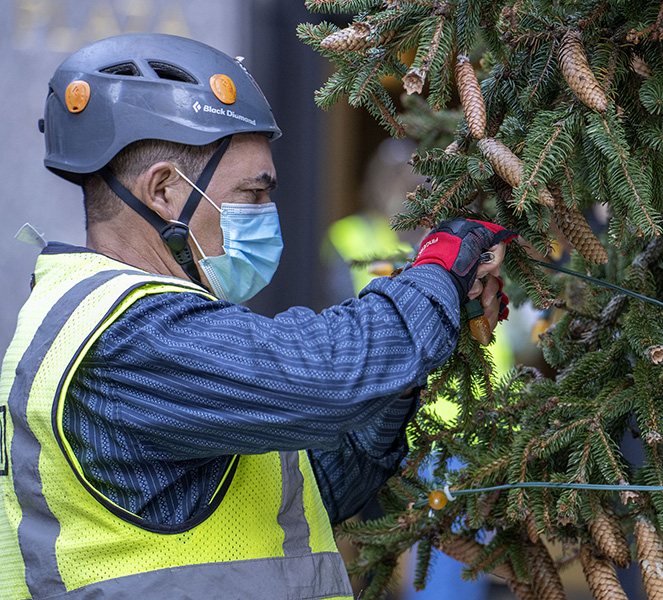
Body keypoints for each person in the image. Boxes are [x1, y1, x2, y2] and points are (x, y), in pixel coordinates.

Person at [0, 33, 514, 600]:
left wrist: (397, 375)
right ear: (165, 190)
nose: (269, 217)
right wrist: (440, 272)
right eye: (252, 195)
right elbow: (323, 378)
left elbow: (308, 491)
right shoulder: (125, 335)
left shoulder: (141, 325)